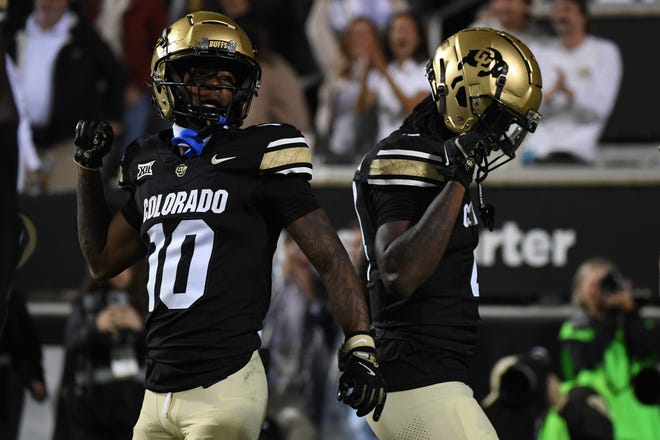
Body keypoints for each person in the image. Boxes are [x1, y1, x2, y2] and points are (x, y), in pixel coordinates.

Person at [73, 11, 385, 440]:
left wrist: (360, 344)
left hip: (224, 381)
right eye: (203, 77)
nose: (217, 92)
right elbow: (101, 260)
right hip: (156, 389)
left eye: (227, 80)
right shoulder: (149, 161)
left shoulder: (261, 153)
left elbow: (329, 257)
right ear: (170, 78)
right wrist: (87, 170)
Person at [352, 27, 542, 439]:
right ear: (466, 97)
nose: (502, 138)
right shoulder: (409, 154)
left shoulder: (439, 156)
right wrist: (457, 179)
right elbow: (398, 275)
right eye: (498, 119)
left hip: (431, 375)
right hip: (417, 375)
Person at [6, 0, 124, 192]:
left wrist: (114, 115)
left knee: (66, 207)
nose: (47, 3)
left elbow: (116, 74)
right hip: (21, 143)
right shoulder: (15, 35)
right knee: (21, 209)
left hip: (68, 144)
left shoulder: (83, 37)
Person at [548, 257, 660, 439]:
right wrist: (605, 318)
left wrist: (630, 312)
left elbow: (649, 351)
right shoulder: (575, 329)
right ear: (580, 290)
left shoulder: (629, 322)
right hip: (599, 417)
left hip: (640, 420)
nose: (598, 291)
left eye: (604, 283)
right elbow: (584, 363)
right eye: (592, 284)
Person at [52, 263, 147, 440]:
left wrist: (140, 328)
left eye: (126, 266)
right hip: (91, 408)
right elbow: (71, 342)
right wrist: (95, 327)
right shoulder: (86, 302)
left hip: (136, 406)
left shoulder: (149, 304)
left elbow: (165, 350)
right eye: (117, 266)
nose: (121, 273)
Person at [522, 0, 622, 165]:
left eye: (567, 10)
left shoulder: (605, 52)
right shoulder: (538, 52)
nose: (561, 16)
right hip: (538, 153)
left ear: (583, 17)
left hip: (580, 155)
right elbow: (527, 111)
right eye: (557, 10)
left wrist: (571, 95)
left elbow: (600, 109)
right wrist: (550, 96)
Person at [314, 16, 380, 164]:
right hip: (335, 149)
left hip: (367, 154)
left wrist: (364, 72)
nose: (357, 39)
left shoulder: (382, 75)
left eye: (363, 34)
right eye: (352, 34)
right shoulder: (337, 70)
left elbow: (363, 108)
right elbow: (315, 30)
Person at [356, 10, 429, 143]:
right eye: (395, 30)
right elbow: (362, 108)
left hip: (413, 148)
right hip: (383, 147)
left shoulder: (427, 70)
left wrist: (385, 72)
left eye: (406, 30)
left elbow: (413, 109)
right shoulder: (380, 71)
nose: (401, 34)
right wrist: (368, 66)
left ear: (418, 38)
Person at [471, 0, 550, 50]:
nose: (503, 7)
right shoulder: (481, 27)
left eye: (510, 1)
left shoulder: (540, 39)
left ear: (527, 6)